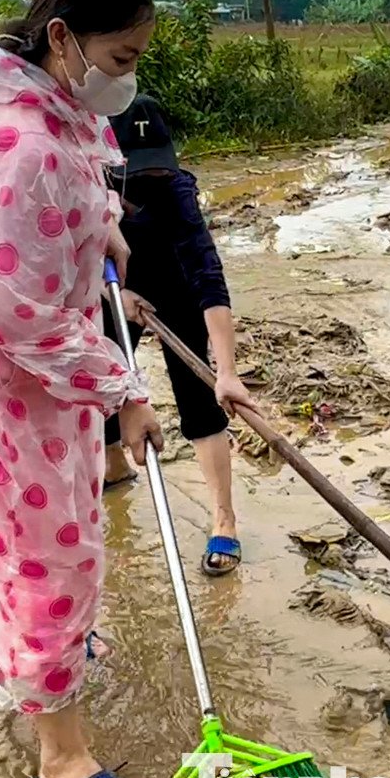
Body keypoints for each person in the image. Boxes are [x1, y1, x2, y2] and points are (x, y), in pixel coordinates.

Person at [0, 0, 163, 778]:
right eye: (121, 59)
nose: (127, 81)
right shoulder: (23, 142)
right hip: (3, 381)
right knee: (43, 556)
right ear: (62, 37)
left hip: (34, 377)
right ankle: (60, 761)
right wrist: (123, 388)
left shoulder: (56, 113)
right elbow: (11, 308)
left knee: (52, 538)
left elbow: (70, 200)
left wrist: (104, 231)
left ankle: (42, 679)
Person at [98, 93, 259, 576]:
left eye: (158, 168)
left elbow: (209, 278)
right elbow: (65, 257)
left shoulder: (178, 192)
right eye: (138, 171)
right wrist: (115, 297)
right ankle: (113, 467)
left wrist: (227, 372)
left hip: (177, 292)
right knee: (103, 386)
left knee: (200, 402)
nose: (151, 178)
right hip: (111, 289)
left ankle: (224, 519)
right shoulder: (88, 184)